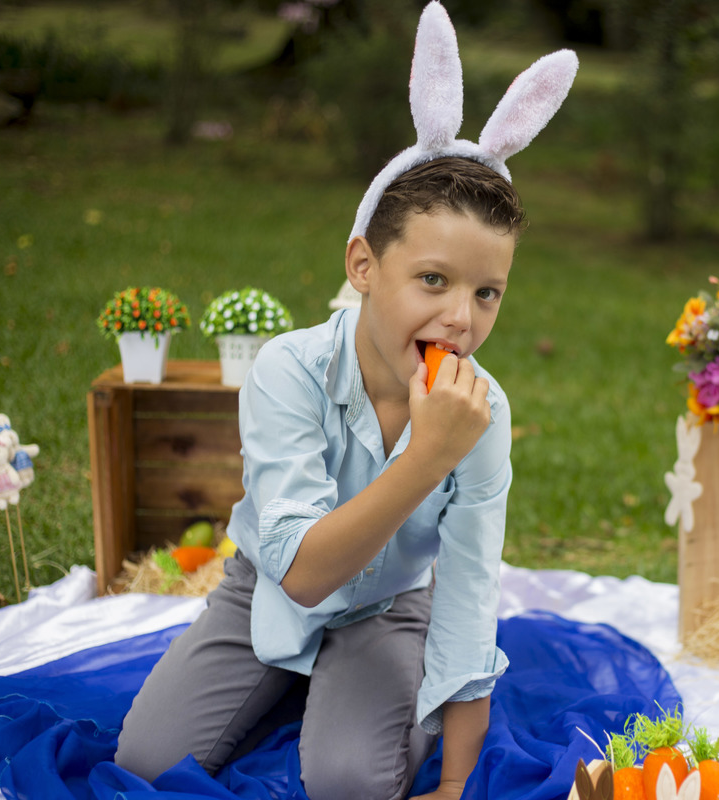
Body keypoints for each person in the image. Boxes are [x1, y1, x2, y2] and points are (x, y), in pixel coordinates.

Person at [114, 4, 576, 797]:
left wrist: (459, 782)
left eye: (488, 292)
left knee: (348, 785)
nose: (461, 320)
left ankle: (354, 693)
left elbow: (469, 593)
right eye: (432, 280)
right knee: (147, 763)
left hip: (390, 606)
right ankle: (287, 680)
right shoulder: (287, 371)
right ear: (364, 265)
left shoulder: (481, 412)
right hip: (266, 585)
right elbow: (296, 576)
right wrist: (426, 457)